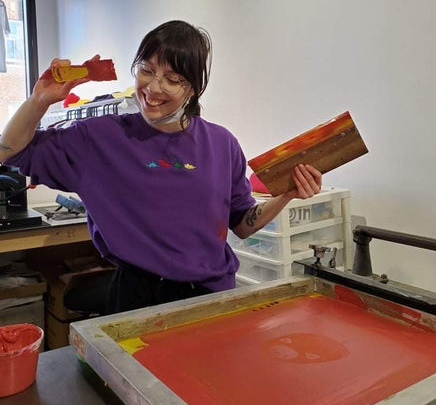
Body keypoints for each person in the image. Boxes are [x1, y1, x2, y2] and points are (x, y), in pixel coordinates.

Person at [0, 20, 322, 313]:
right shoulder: (99, 138)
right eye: (147, 70)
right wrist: (39, 101)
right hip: (137, 299)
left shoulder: (222, 144)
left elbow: (242, 223)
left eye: (173, 79)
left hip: (212, 297)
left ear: (193, 89)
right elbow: (11, 153)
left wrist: (286, 195)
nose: (153, 88)